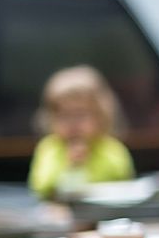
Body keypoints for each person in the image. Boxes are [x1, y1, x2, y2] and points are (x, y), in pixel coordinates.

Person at [28, 66, 135, 198]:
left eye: (80, 115)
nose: (73, 123)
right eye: (64, 115)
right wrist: (73, 167)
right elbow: (42, 188)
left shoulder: (111, 149)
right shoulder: (50, 149)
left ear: (100, 116)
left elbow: (124, 182)